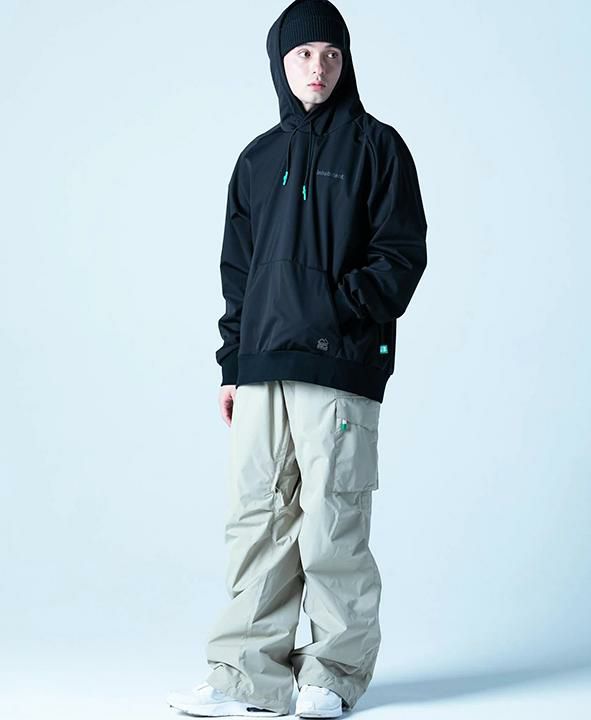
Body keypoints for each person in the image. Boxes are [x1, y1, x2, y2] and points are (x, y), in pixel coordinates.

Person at [167, 0, 427, 716]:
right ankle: (245, 677)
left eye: (331, 54)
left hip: (338, 364)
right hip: (260, 369)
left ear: (346, 62)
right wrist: (232, 364)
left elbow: (401, 256)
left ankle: (332, 675)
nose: (318, 67)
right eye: (304, 54)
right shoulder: (257, 159)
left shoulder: (378, 148)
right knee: (256, 521)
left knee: (332, 520)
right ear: (280, 63)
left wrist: (334, 307)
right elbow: (238, 272)